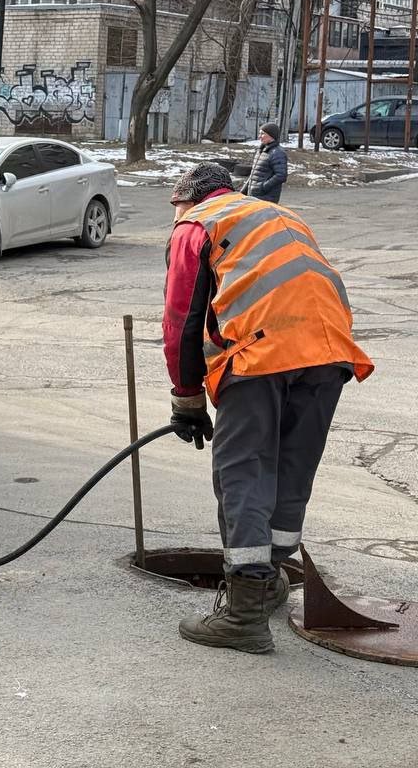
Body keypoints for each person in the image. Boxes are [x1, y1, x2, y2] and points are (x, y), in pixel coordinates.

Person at [162, 161, 372, 653]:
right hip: (329, 351)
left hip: (260, 355)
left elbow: (182, 321)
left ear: (189, 199)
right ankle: (270, 580)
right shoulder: (276, 215)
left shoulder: (198, 225)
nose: (173, 219)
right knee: (290, 471)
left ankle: (243, 614)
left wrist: (187, 398)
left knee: (244, 472)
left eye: (174, 209)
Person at [241, 122, 288, 203]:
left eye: (262, 134)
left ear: (271, 135)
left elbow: (281, 176)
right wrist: (243, 191)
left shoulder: (277, 153)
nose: (259, 137)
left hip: (266, 198)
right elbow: (254, 174)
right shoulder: (261, 151)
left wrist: (262, 187)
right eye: (260, 133)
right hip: (254, 196)